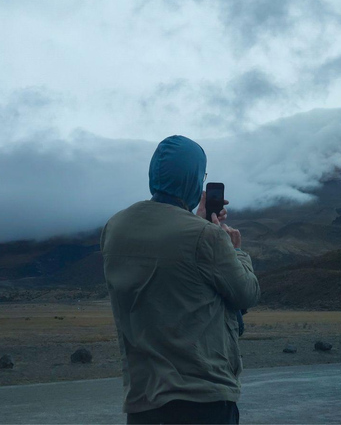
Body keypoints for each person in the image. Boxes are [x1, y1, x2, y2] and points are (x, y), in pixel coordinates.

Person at [101, 135, 260, 424]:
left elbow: (170, 269)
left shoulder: (115, 227)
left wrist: (193, 219)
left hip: (143, 400)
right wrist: (236, 251)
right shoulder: (206, 236)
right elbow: (246, 293)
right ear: (194, 178)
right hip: (203, 398)